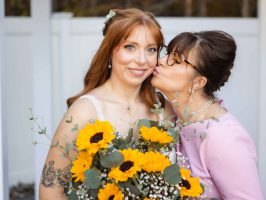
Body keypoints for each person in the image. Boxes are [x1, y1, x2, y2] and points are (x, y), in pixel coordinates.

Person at [39, 8, 172, 199]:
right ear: (109, 51)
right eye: (130, 47)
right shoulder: (84, 111)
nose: (142, 60)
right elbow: (49, 190)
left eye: (151, 50)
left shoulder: (163, 109)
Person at [151, 31, 264, 199]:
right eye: (167, 54)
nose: (160, 61)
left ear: (198, 82)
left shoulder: (224, 138)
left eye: (175, 61)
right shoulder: (173, 118)